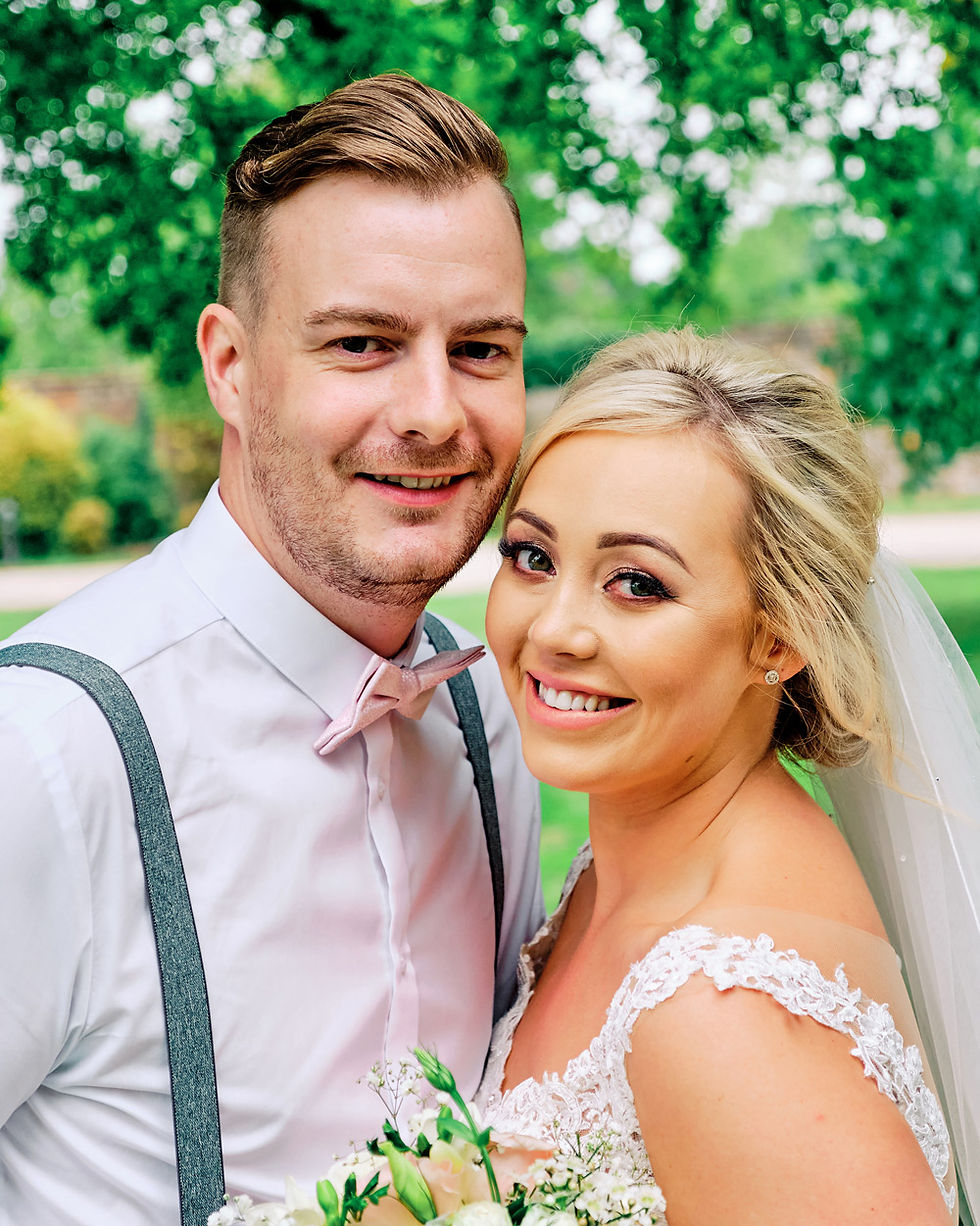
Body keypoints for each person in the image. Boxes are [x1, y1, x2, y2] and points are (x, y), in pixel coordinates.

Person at [0, 75, 543, 1223]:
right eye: (362, 342)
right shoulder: (45, 748)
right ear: (230, 367)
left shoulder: (490, 717)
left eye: (481, 348)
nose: (434, 411)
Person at [477, 326, 980, 1224]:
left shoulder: (727, 1010)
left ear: (778, 636)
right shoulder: (625, 870)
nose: (552, 630)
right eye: (532, 557)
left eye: (637, 583)